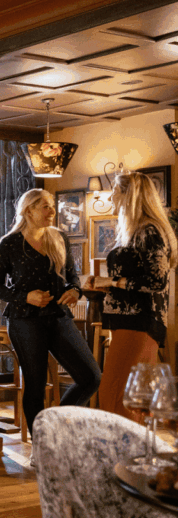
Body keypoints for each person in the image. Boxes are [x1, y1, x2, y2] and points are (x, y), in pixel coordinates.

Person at [0, 189, 101, 437]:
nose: (52, 212)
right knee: (35, 385)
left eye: (52, 206)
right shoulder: (9, 243)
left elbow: (73, 277)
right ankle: (42, 445)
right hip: (24, 321)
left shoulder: (59, 238)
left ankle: (55, 426)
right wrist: (25, 296)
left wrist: (75, 291)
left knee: (90, 377)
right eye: (46, 207)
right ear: (29, 210)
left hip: (59, 317)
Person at [83, 170, 177, 419]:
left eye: (115, 193)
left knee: (118, 396)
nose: (111, 199)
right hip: (125, 322)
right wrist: (107, 285)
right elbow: (133, 279)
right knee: (121, 396)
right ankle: (127, 454)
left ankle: (123, 454)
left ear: (130, 195)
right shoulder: (134, 231)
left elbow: (157, 282)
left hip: (140, 323)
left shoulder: (150, 232)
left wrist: (113, 281)